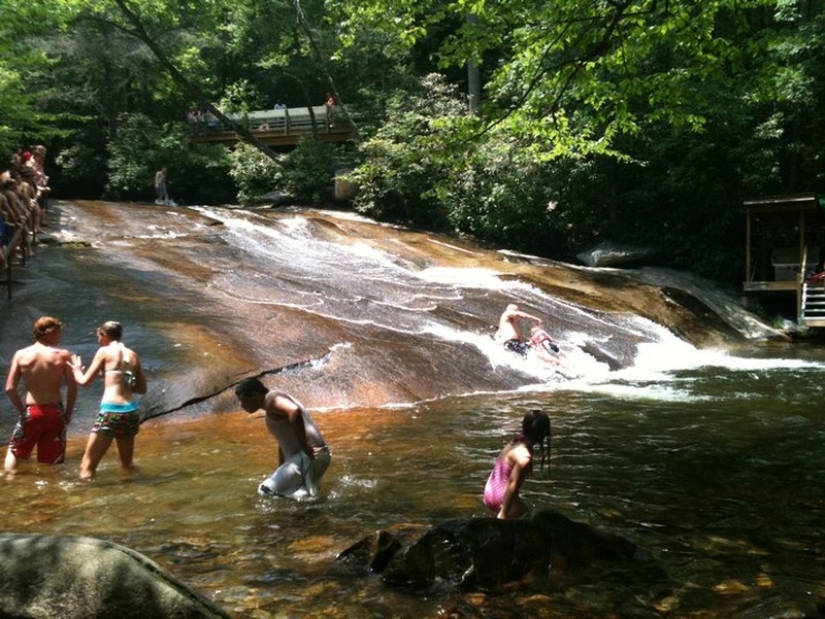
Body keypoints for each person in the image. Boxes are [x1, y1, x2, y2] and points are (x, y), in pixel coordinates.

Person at [70, 321, 147, 479]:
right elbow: (141, 389)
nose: (98, 340)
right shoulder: (132, 354)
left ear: (104, 335)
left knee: (87, 467)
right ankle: (137, 490)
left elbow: (84, 381)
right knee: (127, 465)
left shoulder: (104, 351)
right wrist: (121, 382)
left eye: (98, 337)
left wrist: (76, 370)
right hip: (131, 411)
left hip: (111, 411)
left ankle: (86, 501)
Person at [235, 378, 331, 500]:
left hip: (309, 456)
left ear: (254, 395)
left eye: (242, 401)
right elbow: (283, 441)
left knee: (266, 490)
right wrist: (281, 468)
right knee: (299, 498)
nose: (241, 406)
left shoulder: (271, 400)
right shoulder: (274, 402)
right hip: (310, 457)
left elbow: (294, 411)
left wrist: (305, 446)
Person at [4, 316, 77, 474]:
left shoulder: (21, 355)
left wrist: (22, 412)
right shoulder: (63, 355)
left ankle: (10, 483)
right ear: (52, 332)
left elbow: (10, 388)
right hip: (55, 413)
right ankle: (50, 494)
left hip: (32, 411)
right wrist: (68, 413)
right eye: (59, 332)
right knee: (52, 465)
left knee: (14, 453)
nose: (60, 336)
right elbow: (72, 386)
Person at [483, 410, 551, 519]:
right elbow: (511, 483)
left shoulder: (515, 442)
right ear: (543, 433)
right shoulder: (524, 456)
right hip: (500, 496)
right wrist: (503, 512)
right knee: (527, 520)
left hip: (489, 491)